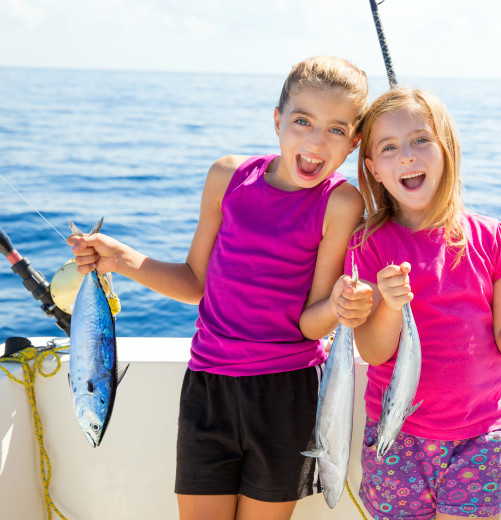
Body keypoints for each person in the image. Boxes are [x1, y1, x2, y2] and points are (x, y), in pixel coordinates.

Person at [67, 56, 374, 520]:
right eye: (302, 121)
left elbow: (312, 325)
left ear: (353, 143)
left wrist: (337, 305)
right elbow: (195, 284)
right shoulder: (227, 177)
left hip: (285, 393)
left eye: (336, 130)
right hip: (207, 388)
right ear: (277, 121)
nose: (315, 142)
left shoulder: (341, 202)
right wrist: (122, 259)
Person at [347, 87, 501, 520]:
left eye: (421, 140)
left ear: (447, 148)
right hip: (396, 434)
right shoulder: (368, 245)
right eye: (390, 147)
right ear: (373, 169)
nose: (408, 156)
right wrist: (389, 307)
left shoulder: (493, 238)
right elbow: (374, 351)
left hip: (484, 435)